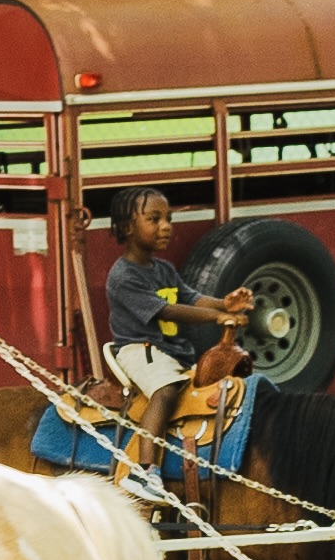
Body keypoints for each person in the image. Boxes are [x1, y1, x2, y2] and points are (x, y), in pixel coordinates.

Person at [101, 187, 254, 470]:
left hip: (169, 350)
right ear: (127, 228)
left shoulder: (164, 270)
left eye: (168, 219)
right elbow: (167, 309)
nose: (166, 227)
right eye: (154, 219)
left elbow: (191, 297)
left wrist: (224, 304)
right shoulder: (123, 276)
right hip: (140, 348)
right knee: (166, 390)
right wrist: (215, 318)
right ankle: (145, 470)